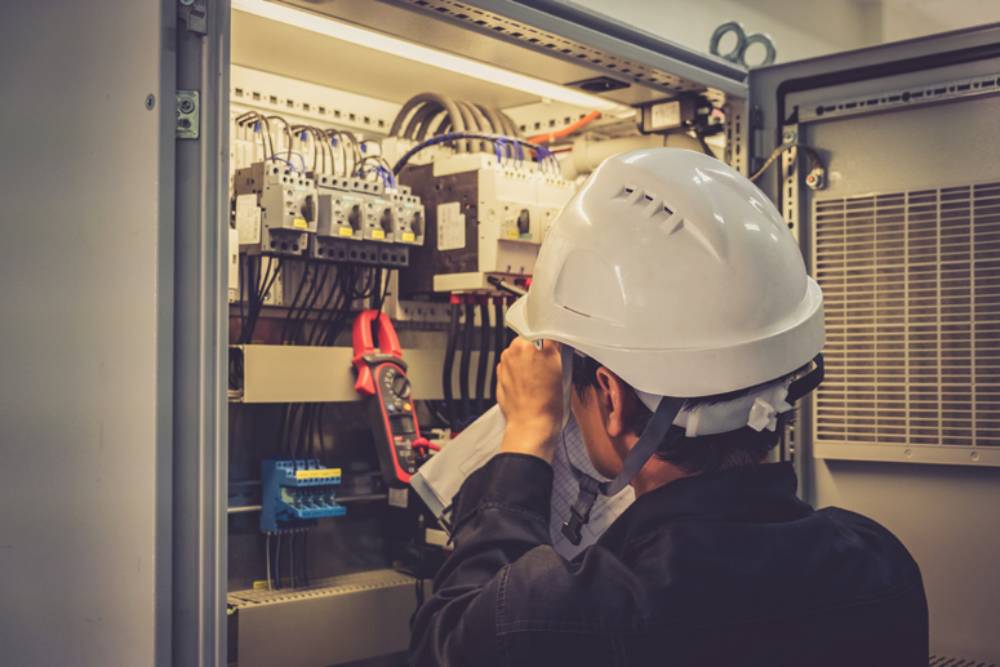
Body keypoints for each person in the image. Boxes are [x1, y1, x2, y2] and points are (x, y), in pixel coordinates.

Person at [410, 148, 928, 666]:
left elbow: (450, 640)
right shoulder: (881, 566)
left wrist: (526, 438)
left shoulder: (560, 615)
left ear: (610, 398)